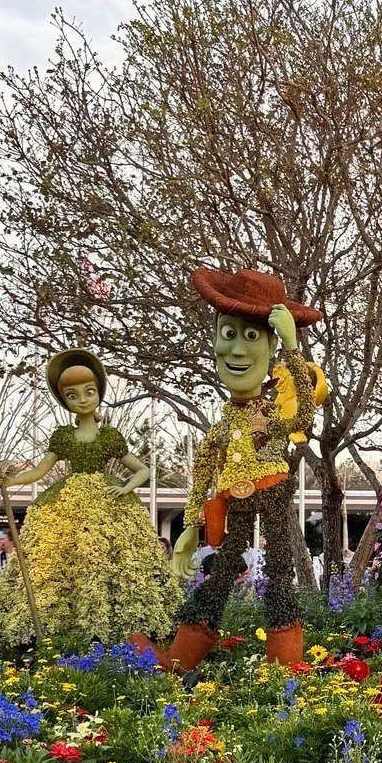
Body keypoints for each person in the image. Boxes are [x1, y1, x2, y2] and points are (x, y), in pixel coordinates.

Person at [134, 267, 326, 672]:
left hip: (271, 496)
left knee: (278, 572)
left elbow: (305, 412)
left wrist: (294, 347)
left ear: (270, 345)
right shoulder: (221, 428)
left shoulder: (274, 413)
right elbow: (202, 475)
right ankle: (181, 659)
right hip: (231, 504)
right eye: (229, 334)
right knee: (220, 576)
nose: (237, 350)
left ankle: (284, 666)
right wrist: (189, 526)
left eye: (252, 336)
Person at [0, 347, 179, 647]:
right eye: (73, 395)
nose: (83, 399)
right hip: (67, 504)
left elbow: (142, 471)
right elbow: (38, 471)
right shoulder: (62, 437)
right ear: (65, 401)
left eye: (89, 392)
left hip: (109, 504)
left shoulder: (110, 437)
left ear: (98, 391)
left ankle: (128, 628)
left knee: (113, 558)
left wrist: (125, 488)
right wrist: (9, 481)